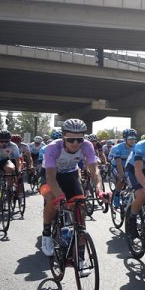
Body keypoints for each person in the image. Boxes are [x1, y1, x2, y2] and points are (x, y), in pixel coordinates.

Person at [39, 119, 103, 277]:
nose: (75, 143)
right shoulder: (53, 148)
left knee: (80, 213)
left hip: (71, 175)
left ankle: (80, 258)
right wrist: (60, 196)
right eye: (70, 139)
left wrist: (99, 189)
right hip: (51, 177)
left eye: (79, 139)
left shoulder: (87, 146)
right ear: (63, 138)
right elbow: (51, 178)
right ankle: (47, 233)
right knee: (53, 201)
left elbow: (94, 170)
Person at [107, 128, 137, 196]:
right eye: (130, 138)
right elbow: (118, 163)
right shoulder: (117, 148)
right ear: (125, 139)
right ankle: (116, 195)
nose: (132, 140)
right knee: (122, 179)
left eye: (134, 138)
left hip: (128, 164)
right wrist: (122, 175)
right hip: (116, 165)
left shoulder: (137, 147)